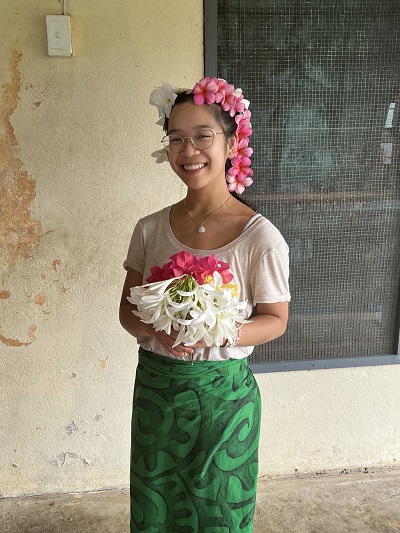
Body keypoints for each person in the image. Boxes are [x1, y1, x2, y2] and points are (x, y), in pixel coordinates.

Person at [119, 77, 291, 532]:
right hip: (158, 396)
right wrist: (156, 330)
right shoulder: (150, 229)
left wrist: (221, 330)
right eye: (175, 139)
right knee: (155, 509)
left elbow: (275, 320)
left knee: (220, 510)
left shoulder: (260, 237)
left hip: (224, 402)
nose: (187, 150)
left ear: (232, 143)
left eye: (201, 136)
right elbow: (126, 312)